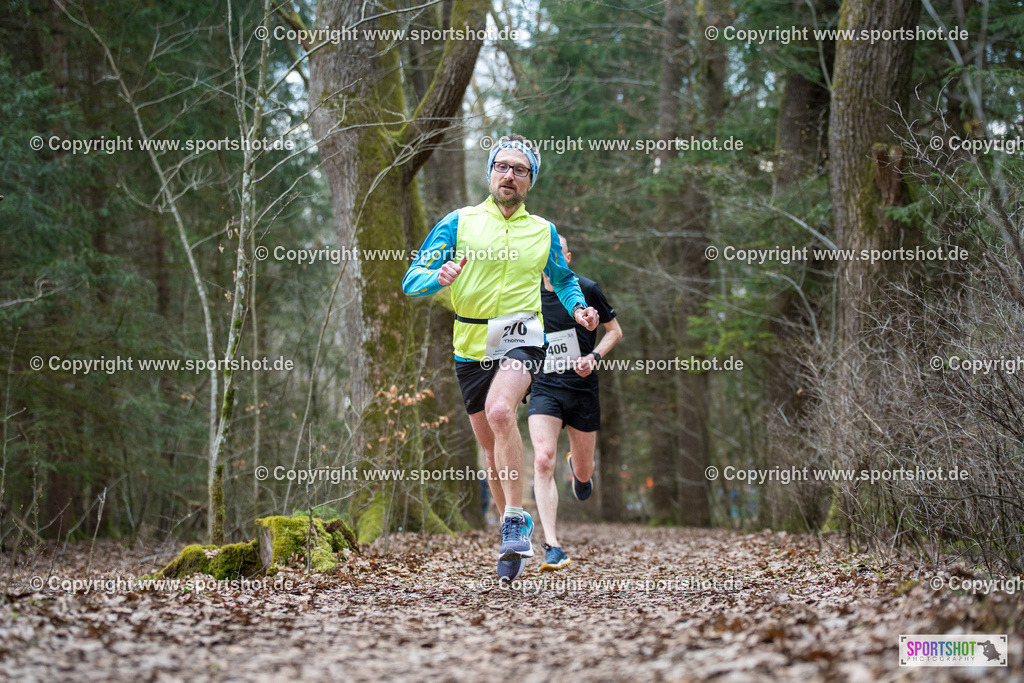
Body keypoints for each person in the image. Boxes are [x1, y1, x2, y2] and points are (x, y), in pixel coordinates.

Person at [402, 134, 599, 580]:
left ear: (531, 180)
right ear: (490, 172)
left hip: (521, 337)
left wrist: (579, 309)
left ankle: (514, 517)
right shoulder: (460, 223)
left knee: (500, 410)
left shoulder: (542, 231)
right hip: (470, 345)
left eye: (520, 169)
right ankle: (513, 534)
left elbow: (564, 281)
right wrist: (438, 274)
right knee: (491, 453)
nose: (509, 175)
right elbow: (411, 280)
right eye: (502, 167)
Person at [528, 236, 622, 570]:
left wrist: (594, 356)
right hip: (544, 386)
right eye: (546, 255)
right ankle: (552, 546)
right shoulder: (527, 293)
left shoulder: (587, 289)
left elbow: (615, 331)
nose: (552, 261)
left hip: (581, 387)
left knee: (584, 474)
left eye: (558, 255)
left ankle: (579, 473)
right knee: (542, 460)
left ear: (567, 257)